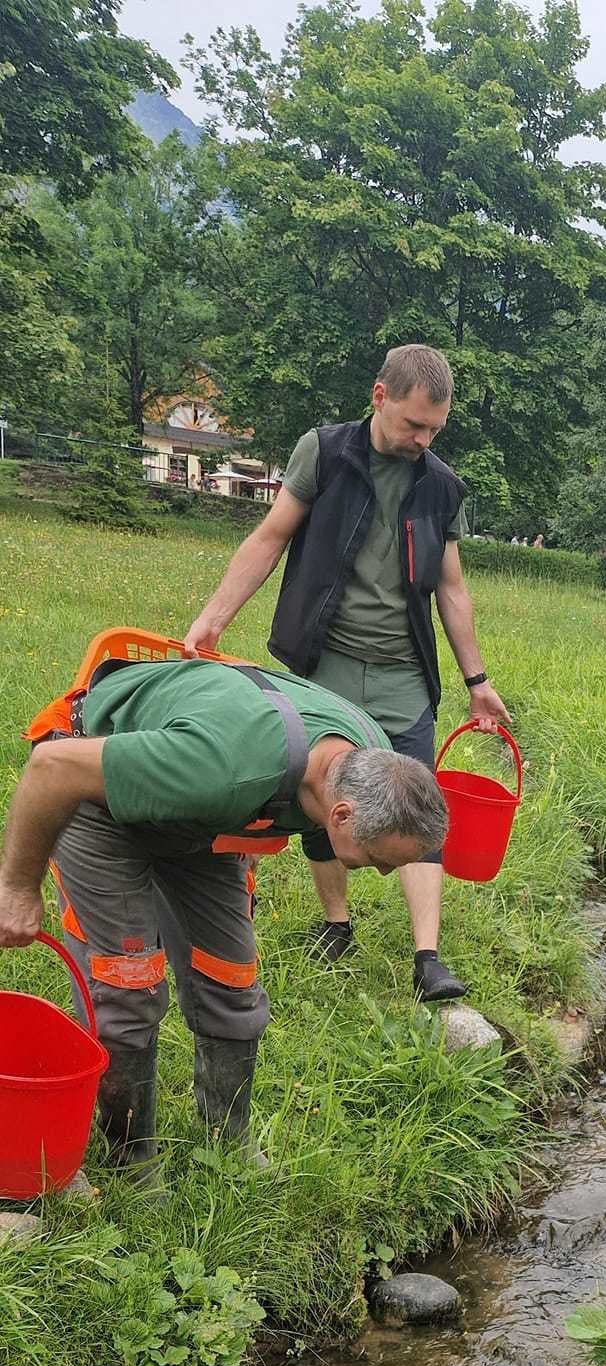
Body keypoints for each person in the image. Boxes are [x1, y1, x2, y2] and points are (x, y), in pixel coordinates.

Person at [0, 653, 448, 1181]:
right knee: (127, 988)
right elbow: (52, 769)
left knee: (232, 981)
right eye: (379, 859)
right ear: (342, 815)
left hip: (196, 810)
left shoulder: (366, 754)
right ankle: (131, 1157)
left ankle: (226, 1140)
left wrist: (249, 826)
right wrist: (16, 888)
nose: (377, 873)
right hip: (92, 792)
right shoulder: (225, 767)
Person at [182, 343, 511, 1002]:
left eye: (434, 431)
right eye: (414, 424)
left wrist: (478, 683)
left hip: (401, 673)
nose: (422, 440)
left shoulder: (442, 486)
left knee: (419, 803)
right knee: (322, 795)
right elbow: (271, 536)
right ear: (380, 395)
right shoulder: (327, 454)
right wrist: (213, 618)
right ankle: (338, 924)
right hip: (323, 664)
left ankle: (428, 957)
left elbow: (451, 587)